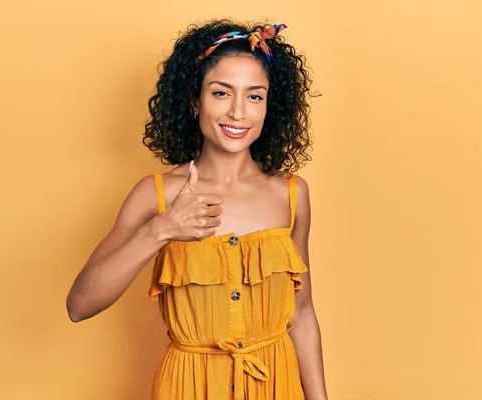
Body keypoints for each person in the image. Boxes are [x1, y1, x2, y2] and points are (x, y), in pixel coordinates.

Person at [66, 19, 328, 399]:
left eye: (254, 96)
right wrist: (162, 229)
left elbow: (302, 315)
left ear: (270, 107)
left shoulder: (291, 194)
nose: (238, 112)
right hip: (187, 388)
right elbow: (80, 304)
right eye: (221, 93)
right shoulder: (155, 194)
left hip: (277, 386)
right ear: (194, 100)